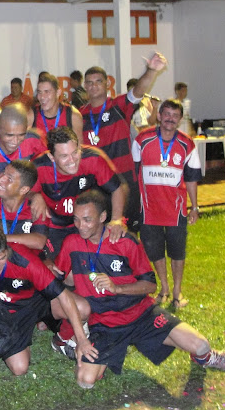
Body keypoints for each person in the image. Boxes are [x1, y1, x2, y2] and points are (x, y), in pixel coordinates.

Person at [55, 190, 225, 389]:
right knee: (85, 381)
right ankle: (108, 355)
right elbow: (57, 278)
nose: (80, 226)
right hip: (105, 324)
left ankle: (206, 358)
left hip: (141, 315)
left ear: (102, 217)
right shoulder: (71, 243)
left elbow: (151, 285)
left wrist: (117, 288)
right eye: (76, 219)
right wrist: (78, 336)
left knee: (201, 345)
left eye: (87, 220)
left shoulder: (126, 241)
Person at [0, 223, 97, 374]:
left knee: (82, 308)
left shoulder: (25, 261)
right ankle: (26, 331)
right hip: (6, 310)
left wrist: (82, 340)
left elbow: (65, 296)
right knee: (19, 368)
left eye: (2, 258)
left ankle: (61, 338)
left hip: (36, 300)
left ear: (7, 249)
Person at [80, 52, 168, 230]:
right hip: (96, 184)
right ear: (85, 86)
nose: (93, 86)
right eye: (89, 82)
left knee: (129, 232)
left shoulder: (118, 106)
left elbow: (138, 91)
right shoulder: (79, 115)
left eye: (98, 81)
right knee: (99, 230)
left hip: (124, 181)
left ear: (107, 84)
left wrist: (151, 71)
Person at [132, 99, 201, 309]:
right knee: (154, 251)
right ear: (160, 116)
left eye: (175, 115)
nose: (170, 119)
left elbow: (192, 178)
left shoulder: (187, 144)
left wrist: (195, 207)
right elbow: (134, 173)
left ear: (180, 119)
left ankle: (178, 292)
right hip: (149, 209)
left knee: (177, 252)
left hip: (175, 210)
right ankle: (164, 288)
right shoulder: (142, 140)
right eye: (167, 114)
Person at [32, 126, 128, 259]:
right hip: (54, 224)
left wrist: (116, 220)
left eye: (75, 152)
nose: (72, 160)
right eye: (64, 156)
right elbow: (23, 191)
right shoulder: (39, 167)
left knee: (102, 257)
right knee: (54, 266)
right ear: (51, 156)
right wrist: (35, 196)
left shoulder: (93, 158)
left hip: (85, 222)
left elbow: (117, 188)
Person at [33, 73, 83, 143]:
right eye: (39, 92)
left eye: (47, 92)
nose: (42, 97)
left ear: (58, 92)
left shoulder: (73, 116)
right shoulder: (31, 116)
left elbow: (78, 147)